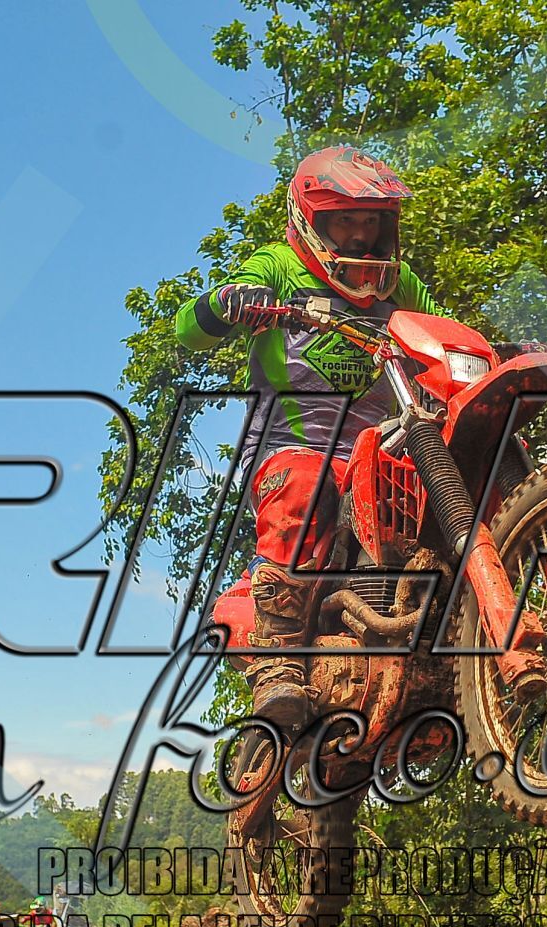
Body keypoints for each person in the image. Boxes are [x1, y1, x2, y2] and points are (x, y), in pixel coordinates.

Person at [174, 145, 442, 724]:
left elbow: (441, 336)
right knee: (304, 481)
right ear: (311, 220)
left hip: (385, 450)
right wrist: (229, 302)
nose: (360, 235)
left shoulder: (400, 282)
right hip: (291, 448)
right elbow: (188, 331)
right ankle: (277, 662)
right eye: (344, 220)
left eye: (370, 221)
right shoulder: (276, 264)